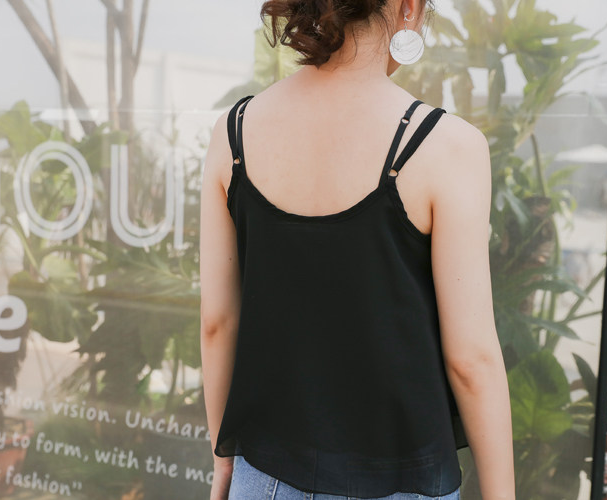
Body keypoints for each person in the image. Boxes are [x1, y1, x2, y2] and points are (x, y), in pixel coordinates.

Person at [199, 0, 515, 498]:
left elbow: (218, 323)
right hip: (401, 483)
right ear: (409, 7)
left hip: (263, 478)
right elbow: (471, 360)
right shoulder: (447, 146)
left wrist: (224, 461)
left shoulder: (233, 130)